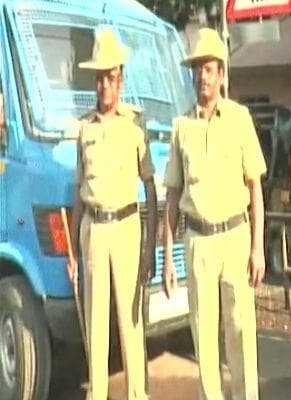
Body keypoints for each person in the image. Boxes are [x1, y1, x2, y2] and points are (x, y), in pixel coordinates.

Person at [162, 28, 266, 400]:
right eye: (197, 70)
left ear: (221, 74)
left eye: (208, 69)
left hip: (236, 238)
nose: (202, 77)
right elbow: (172, 196)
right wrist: (169, 258)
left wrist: (257, 248)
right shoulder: (181, 127)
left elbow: (255, 187)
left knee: (240, 332)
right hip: (198, 243)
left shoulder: (240, 118)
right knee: (204, 337)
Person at [67, 28, 157, 400]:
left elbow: (150, 188)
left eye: (111, 77)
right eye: (99, 78)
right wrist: (73, 250)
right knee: (95, 322)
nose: (105, 85)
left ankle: (137, 393)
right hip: (93, 229)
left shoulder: (135, 125)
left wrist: (150, 248)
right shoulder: (85, 127)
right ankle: (98, 394)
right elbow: (78, 191)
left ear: (121, 80)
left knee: (130, 321)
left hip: (126, 228)